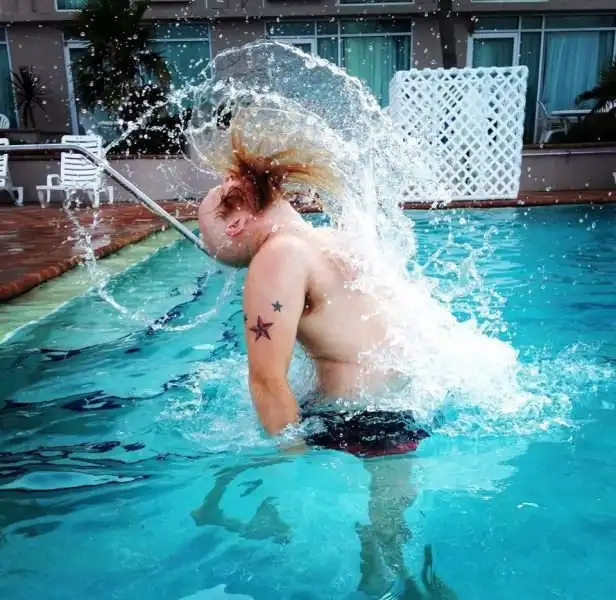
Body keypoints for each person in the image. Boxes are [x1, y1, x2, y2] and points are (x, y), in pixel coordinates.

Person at [198, 126, 454, 599]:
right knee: (390, 533)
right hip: (405, 409)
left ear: (234, 226)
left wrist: (288, 469)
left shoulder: (276, 257)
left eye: (203, 231)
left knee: (213, 493)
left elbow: (267, 381)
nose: (205, 245)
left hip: (357, 421)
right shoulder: (335, 239)